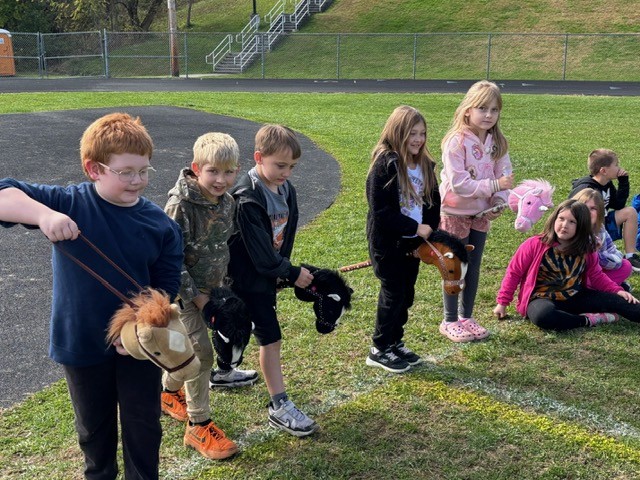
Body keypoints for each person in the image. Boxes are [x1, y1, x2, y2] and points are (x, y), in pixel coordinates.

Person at [0, 113, 183, 480]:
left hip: (138, 347)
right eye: (126, 171)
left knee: (143, 427)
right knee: (93, 431)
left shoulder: (161, 225)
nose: (138, 180)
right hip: (81, 343)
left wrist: (136, 334)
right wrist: (44, 215)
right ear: (94, 169)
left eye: (144, 170)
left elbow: (165, 289)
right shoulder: (69, 203)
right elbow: (4, 194)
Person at [159, 132, 257, 460]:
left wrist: (223, 290)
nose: (221, 179)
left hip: (213, 290)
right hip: (183, 293)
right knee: (200, 353)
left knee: (190, 354)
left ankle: (168, 392)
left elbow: (222, 248)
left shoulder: (228, 202)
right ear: (196, 168)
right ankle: (198, 425)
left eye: (229, 172)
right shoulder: (180, 205)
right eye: (213, 171)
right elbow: (169, 258)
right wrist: (199, 299)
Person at [227, 124, 318, 437]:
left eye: (291, 166)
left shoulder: (286, 189)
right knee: (269, 337)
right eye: (280, 165)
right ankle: (279, 406)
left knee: (237, 329)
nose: (286, 173)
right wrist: (290, 273)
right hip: (245, 279)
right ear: (258, 158)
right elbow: (261, 256)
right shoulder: (246, 197)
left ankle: (223, 371)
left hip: (266, 277)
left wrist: (281, 271)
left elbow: (285, 235)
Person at [365, 105, 441, 373]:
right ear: (398, 133)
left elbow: (433, 202)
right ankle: (379, 347)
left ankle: (395, 341)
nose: (419, 140)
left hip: (413, 245)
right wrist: (413, 226)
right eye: (412, 134)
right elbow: (381, 211)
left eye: (422, 134)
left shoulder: (425, 164)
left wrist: (430, 227)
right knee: (393, 292)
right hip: (388, 245)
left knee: (407, 294)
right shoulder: (385, 165)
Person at [438, 80, 514, 342]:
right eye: (482, 108)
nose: (489, 115)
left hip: (481, 215)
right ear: (467, 110)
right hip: (454, 213)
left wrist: (498, 202)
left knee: (474, 265)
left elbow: (505, 176)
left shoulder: (498, 142)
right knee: (455, 267)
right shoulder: (455, 142)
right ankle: (449, 321)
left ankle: (466, 316)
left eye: (494, 110)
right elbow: (459, 184)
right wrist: (495, 186)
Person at [494, 199, 640, 331]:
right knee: (543, 317)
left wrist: (617, 291)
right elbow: (514, 273)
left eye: (572, 222)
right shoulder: (534, 244)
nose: (564, 225)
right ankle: (588, 319)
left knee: (620, 301)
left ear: (581, 226)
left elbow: (596, 276)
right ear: (554, 219)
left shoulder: (586, 248)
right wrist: (502, 303)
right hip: (541, 299)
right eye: (561, 219)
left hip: (575, 296)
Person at [568, 148, 640, 271]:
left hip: (603, 224)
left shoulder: (606, 184)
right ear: (604, 170)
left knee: (630, 212)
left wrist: (623, 183)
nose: (619, 168)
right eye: (616, 165)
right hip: (588, 231)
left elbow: (618, 205)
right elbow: (574, 213)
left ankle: (630, 256)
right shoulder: (585, 188)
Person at [572, 188, 633, 292]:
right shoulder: (571, 229)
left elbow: (615, 253)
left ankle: (601, 289)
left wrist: (599, 255)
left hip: (596, 274)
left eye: (593, 208)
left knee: (626, 266)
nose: (587, 212)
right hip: (577, 277)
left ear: (599, 212)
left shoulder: (600, 229)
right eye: (583, 207)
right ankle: (601, 290)